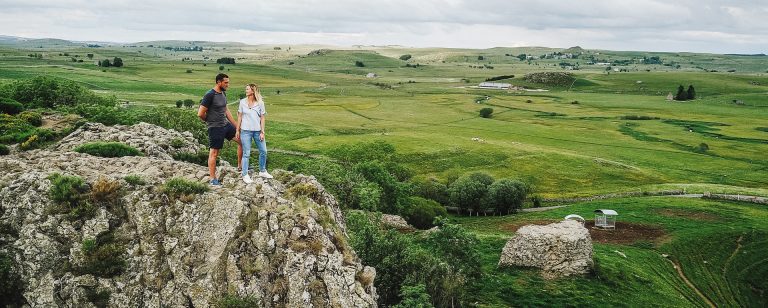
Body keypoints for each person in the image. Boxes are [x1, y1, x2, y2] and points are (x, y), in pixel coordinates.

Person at [198, 73, 241, 186]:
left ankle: (240, 166)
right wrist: (209, 121)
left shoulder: (222, 93)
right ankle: (213, 179)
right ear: (218, 82)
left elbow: (226, 110)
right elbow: (200, 113)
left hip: (226, 125)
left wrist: (236, 125)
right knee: (214, 153)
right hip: (215, 127)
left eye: (228, 82)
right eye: (225, 82)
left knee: (242, 140)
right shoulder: (209, 95)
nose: (228, 85)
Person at [236, 83, 273, 183]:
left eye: (247, 89)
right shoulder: (242, 102)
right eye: (246, 89)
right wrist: (237, 130)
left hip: (257, 131)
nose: (246, 90)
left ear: (253, 91)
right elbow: (239, 116)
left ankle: (262, 170)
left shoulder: (260, 103)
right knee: (246, 153)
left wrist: (262, 132)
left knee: (263, 151)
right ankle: (245, 174)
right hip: (245, 131)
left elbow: (262, 118)